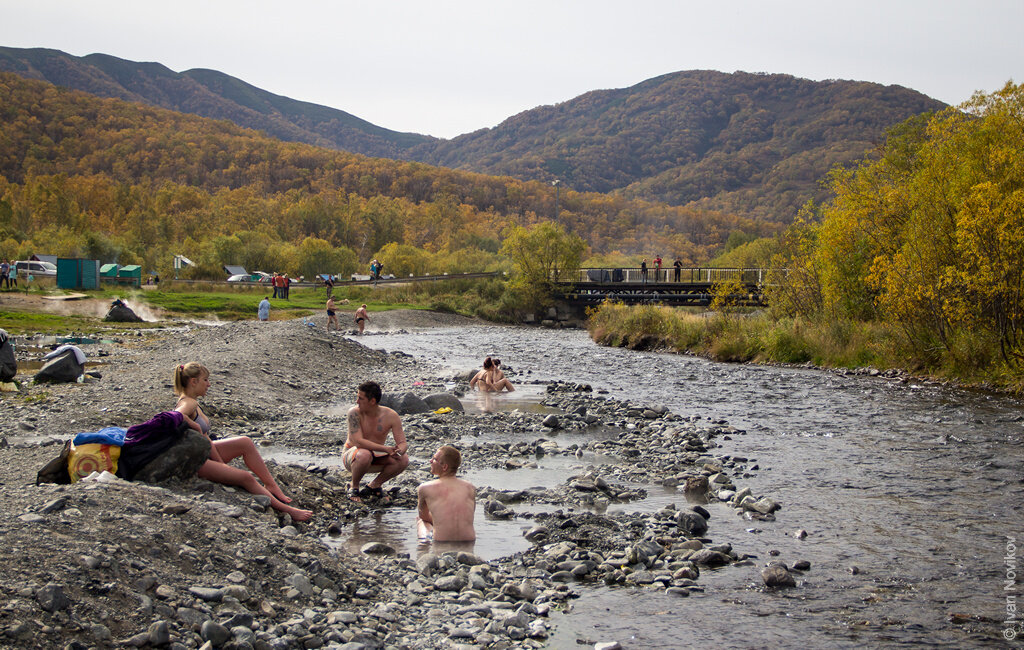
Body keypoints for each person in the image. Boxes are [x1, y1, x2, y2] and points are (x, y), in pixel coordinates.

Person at [173, 362, 312, 521]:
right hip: (194, 462)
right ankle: (288, 510)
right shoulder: (188, 402)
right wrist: (194, 426)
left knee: (245, 442)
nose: (209, 384)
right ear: (193, 381)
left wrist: (219, 461)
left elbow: (204, 437)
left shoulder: (192, 401)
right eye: (205, 380)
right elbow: (176, 416)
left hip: (202, 452)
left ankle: (270, 484)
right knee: (246, 477)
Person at [343, 380, 408, 501]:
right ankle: (354, 486)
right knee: (364, 454)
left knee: (403, 459)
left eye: (360, 398)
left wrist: (399, 451)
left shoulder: (390, 415)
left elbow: (402, 442)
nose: (357, 402)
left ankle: (374, 486)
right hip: (353, 455)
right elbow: (358, 442)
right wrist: (385, 449)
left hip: (376, 456)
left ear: (372, 401)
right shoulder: (354, 413)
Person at [417, 445, 476, 542]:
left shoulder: (425, 488)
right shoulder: (470, 488)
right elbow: (468, 516)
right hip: (469, 541)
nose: (430, 461)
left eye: (434, 459)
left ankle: (423, 550)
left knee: (421, 522)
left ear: (444, 467)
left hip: (441, 541)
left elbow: (423, 516)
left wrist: (440, 520)